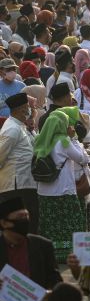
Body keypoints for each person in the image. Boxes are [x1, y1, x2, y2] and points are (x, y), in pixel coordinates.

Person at [35, 109, 90, 262]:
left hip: (44, 192)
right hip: (63, 191)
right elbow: (83, 159)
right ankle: (69, 254)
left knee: (50, 224)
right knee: (71, 222)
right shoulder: (63, 141)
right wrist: (73, 139)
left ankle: (51, 253)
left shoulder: (40, 139)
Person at [0, 197, 62, 301]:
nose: (25, 221)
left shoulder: (42, 246)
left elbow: (56, 280)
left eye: (26, 216)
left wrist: (48, 294)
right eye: (20, 218)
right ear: (4, 223)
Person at [0, 93, 38, 232]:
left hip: (25, 183)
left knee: (31, 224)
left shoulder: (20, 126)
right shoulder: (12, 129)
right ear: (20, 109)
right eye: (27, 107)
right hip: (16, 185)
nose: (29, 110)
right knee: (22, 226)